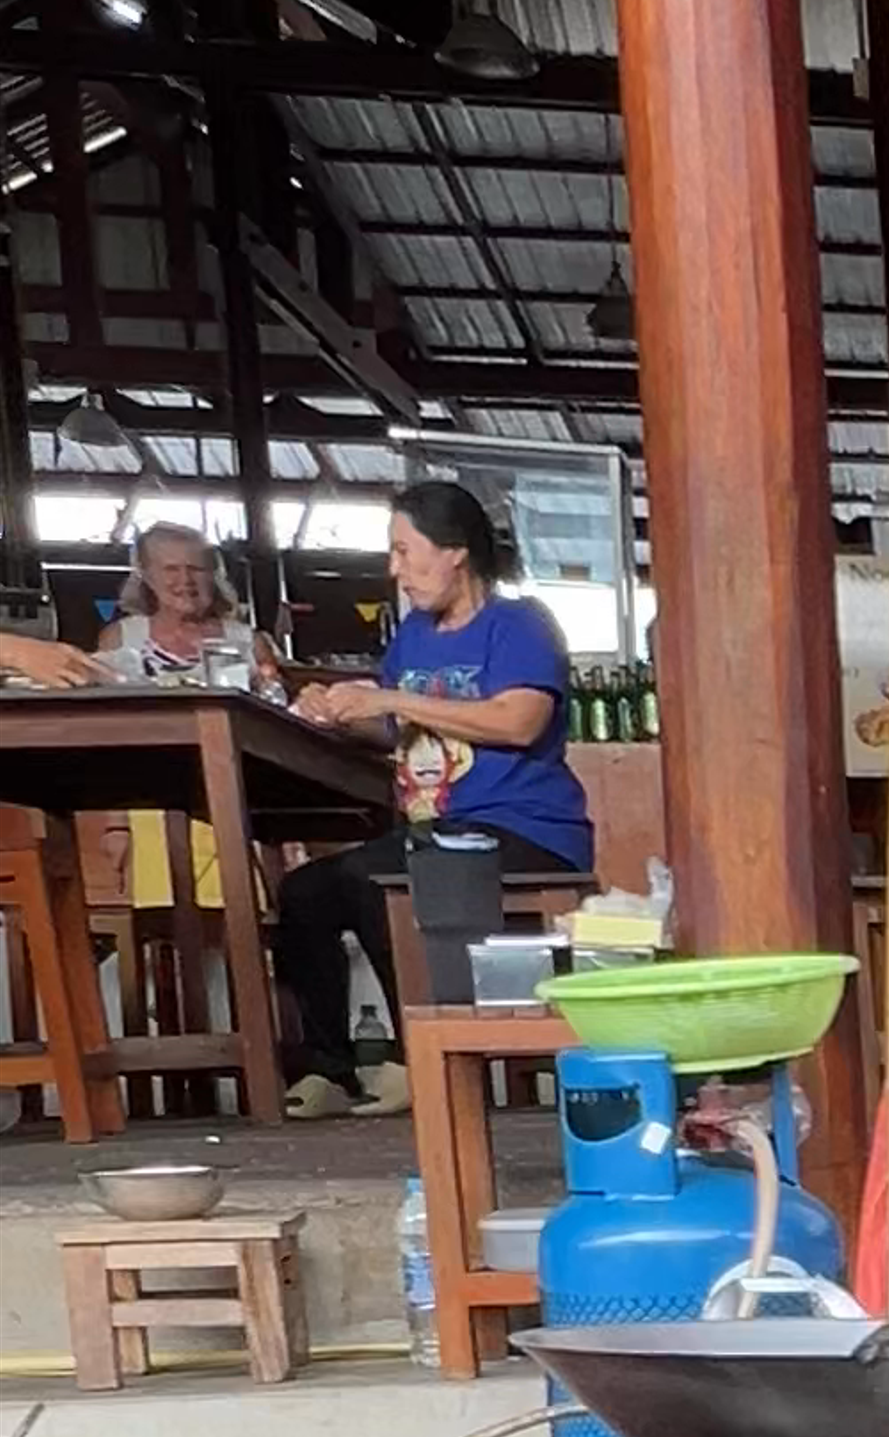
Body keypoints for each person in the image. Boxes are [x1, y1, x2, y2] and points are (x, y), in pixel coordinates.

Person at [273, 467, 592, 1113]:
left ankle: (414, 1057)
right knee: (306, 890)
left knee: (381, 876)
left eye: (405, 552)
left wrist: (387, 693)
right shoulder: (414, 636)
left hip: (524, 829)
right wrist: (336, 709)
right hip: (435, 829)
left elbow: (518, 720)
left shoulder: (520, 624)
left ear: (455, 552)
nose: (396, 570)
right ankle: (332, 1068)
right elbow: (398, 730)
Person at [0, 512, 274, 696]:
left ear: (214, 576)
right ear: (147, 575)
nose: (185, 579)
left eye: (196, 569)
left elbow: (273, 701)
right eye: (171, 569)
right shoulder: (122, 636)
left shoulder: (249, 641)